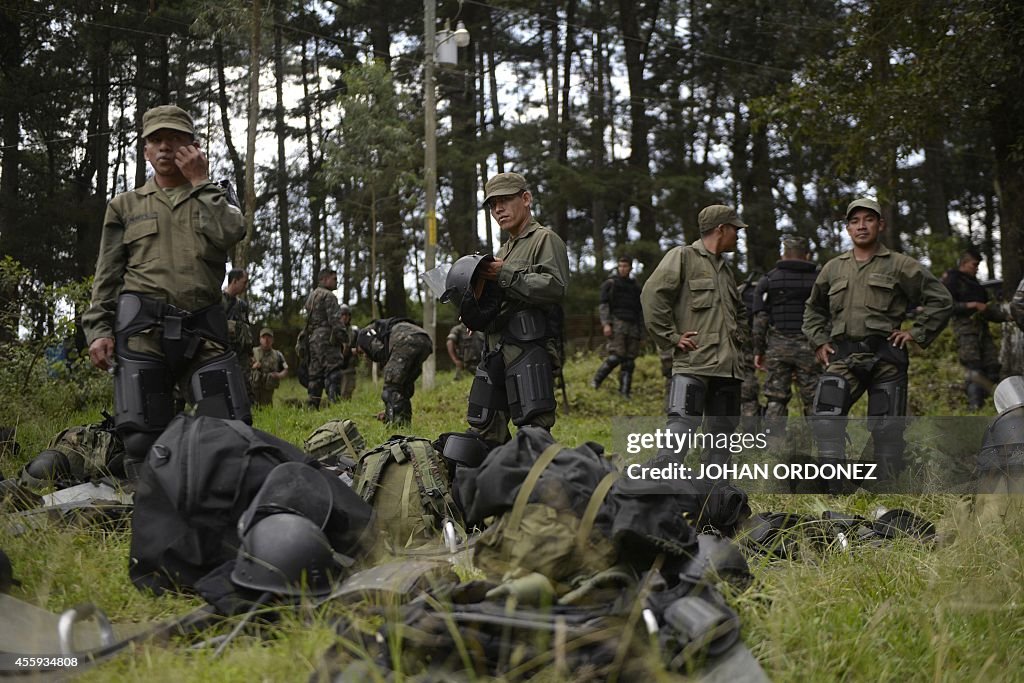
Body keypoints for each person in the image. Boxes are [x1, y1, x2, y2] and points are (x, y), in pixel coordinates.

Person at [82, 104, 249, 467]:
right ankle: (149, 510)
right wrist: (98, 330)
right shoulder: (124, 206)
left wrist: (201, 182)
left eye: (174, 139)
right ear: (144, 149)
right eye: (156, 140)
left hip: (203, 328)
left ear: (193, 146)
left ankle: (213, 506)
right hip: (143, 329)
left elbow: (232, 232)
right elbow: (107, 274)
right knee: (142, 439)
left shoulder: (213, 196)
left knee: (231, 434)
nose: (164, 148)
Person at [803, 198, 953, 484]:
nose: (862, 226)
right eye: (855, 221)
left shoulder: (900, 265)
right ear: (847, 228)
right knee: (825, 418)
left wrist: (915, 332)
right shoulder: (833, 268)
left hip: (887, 358)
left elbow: (941, 299)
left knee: (887, 428)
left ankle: (885, 486)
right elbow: (813, 308)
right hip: (844, 356)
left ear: (880, 225)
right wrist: (819, 341)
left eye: (868, 219)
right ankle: (833, 486)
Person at [454, 172, 569, 448]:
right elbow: (502, 299)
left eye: (505, 201)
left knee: (533, 434)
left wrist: (504, 273)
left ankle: (542, 489)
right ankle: (493, 486)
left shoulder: (545, 240)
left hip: (528, 350)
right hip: (494, 351)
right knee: (483, 429)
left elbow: (555, 287)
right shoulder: (504, 250)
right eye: (493, 205)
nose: (498, 210)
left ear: (526, 199)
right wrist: (477, 311)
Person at [640, 204, 749, 466]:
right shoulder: (682, 257)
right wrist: (672, 337)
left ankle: (715, 497)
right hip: (695, 362)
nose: (739, 235)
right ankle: (662, 488)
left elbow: (739, 312)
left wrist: (740, 339)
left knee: (721, 439)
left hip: (727, 368)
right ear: (720, 229)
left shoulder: (725, 269)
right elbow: (652, 295)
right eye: (735, 229)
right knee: (680, 429)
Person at [752, 235, 822, 418]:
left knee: (775, 399)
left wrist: (758, 351)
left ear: (783, 255)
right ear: (806, 255)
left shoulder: (768, 280)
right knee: (815, 399)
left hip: (777, 348)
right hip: (811, 348)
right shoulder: (820, 280)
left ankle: (774, 444)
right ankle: (822, 444)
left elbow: (760, 321)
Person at [941, 250, 1007, 410]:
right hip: (965, 330)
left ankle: (994, 404)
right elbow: (945, 305)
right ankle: (975, 406)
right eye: (974, 265)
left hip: (982, 330)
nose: (976, 269)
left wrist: (1005, 315)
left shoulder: (975, 284)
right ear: (964, 263)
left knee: (992, 365)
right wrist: (971, 305)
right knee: (974, 366)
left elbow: (987, 308)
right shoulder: (952, 280)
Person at [355, 318, 433, 426]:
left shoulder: (363, 336)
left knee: (391, 387)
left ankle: (395, 426)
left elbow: (380, 353)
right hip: (425, 340)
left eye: (361, 352)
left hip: (405, 339)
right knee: (403, 387)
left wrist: (390, 406)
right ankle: (404, 425)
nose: (364, 356)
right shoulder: (380, 329)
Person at [591, 256, 643, 398]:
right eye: (620, 266)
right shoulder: (611, 284)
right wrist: (606, 324)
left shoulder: (635, 287)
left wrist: (640, 331)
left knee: (629, 361)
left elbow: (639, 310)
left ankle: (624, 392)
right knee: (616, 356)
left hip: (632, 325)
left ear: (630, 268)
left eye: (625, 266)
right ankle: (596, 381)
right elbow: (603, 305)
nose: (622, 269)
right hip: (617, 323)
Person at [303, 268, 347, 409]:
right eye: (334, 278)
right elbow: (335, 321)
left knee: (315, 374)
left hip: (313, 340)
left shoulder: (312, 296)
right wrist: (344, 339)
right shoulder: (329, 296)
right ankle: (335, 406)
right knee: (333, 372)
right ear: (325, 279)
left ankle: (312, 406)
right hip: (328, 339)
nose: (337, 281)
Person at [223, 268, 255, 401]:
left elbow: (246, 329)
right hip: (224, 352)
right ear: (234, 281)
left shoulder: (242, 305)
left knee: (245, 386)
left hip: (241, 354)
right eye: (244, 282)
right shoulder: (219, 302)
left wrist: (250, 353)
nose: (246, 286)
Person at [250, 327, 287, 407]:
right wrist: (253, 366)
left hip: (268, 388)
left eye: (269, 337)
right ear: (260, 339)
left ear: (273, 340)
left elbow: (285, 369)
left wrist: (278, 375)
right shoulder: (252, 352)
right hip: (254, 387)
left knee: (266, 408)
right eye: (264, 337)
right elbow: (244, 366)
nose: (266, 340)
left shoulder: (278, 354)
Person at [337, 304, 358, 400]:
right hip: (336, 366)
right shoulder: (334, 331)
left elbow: (360, 346)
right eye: (342, 315)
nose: (344, 317)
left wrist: (355, 350)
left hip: (349, 366)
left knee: (346, 393)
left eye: (346, 315)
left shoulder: (354, 331)